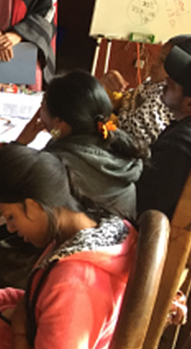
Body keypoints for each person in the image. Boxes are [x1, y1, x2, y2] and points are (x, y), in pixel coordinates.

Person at [0, 143, 136, 349]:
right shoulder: (97, 232)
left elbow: (56, 304)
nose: (10, 228)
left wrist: (19, 332)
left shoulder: (74, 286)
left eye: (10, 217)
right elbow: (41, 302)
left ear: (33, 205)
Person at [16, 70, 145, 219]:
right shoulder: (114, 143)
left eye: (42, 106)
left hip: (85, 232)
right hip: (122, 230)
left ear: (60, 122)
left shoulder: (58, 163)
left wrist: (19, 143)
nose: (39, 113)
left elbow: (11, 187)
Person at [100, 36, 189, 150]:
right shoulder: (152, 84)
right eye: (158, 57)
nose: (154, 64)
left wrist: (97, 113)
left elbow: (131, 135)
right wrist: (108, 89)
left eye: (163, 61)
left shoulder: (166, 100)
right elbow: (127, 103)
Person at [136, 36, 191, 218]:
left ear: (189, 104)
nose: (167, 81)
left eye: (173, 84)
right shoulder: (179, 131)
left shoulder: (177, 148)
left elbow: (146, 205)